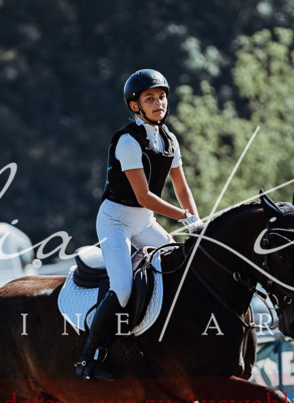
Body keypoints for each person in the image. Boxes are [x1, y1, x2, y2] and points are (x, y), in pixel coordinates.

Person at [75, 68, 202, 381]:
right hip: (115, 222)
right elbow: (144, 196)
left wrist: (195, 222)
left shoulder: (169, 139)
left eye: (161, 97)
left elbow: (182, 189)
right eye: (150, 99)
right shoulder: (128, 142)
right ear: (135, 106)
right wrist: (184, 218)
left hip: (144, 222)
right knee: (122, 287)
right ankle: (90, 357)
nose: (158, 103)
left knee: (182, 267)